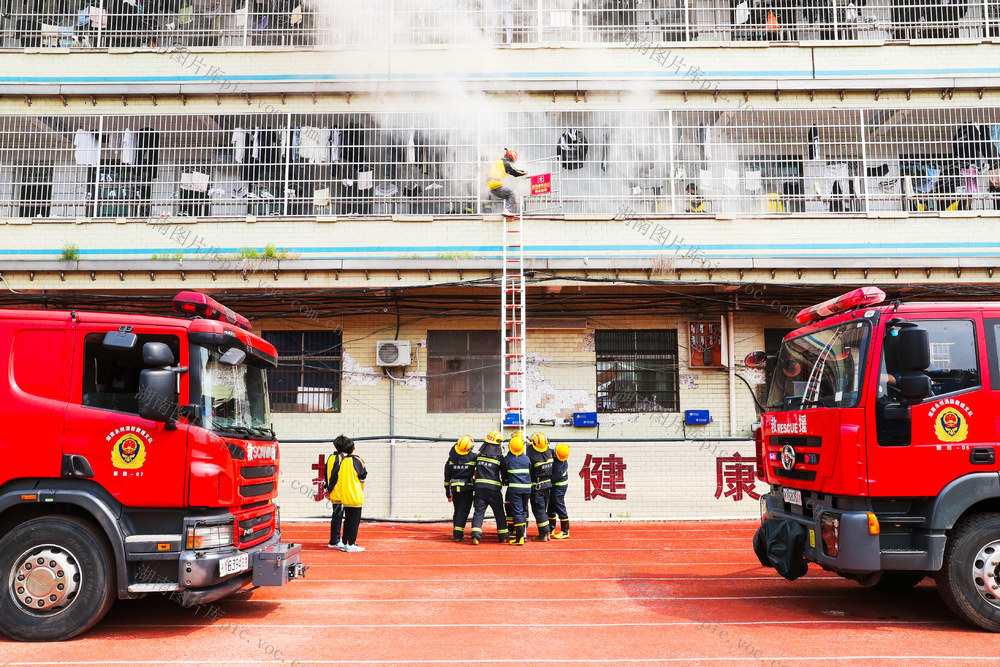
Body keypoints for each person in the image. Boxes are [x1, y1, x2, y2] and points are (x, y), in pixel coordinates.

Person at [328, 435, 368, 553]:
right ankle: (351, 544)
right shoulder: (357, 460)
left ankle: (344, 543)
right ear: (354, 448)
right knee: (354, 521)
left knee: (347, 520)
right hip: (355, 495)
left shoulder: (343, 461)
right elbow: (363, 475)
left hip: (345, 496)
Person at [470, 430, 509, 545]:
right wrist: (506, 481)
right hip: (494, 490)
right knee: (499, 513)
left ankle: (475, 537)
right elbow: (504, 474)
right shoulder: (499, 458)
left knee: (478, 512)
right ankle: (502, 536)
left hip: (479, 489)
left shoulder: (479, 456)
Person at [445, 434, 477, 542]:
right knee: (463, 511)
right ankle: (458, 535)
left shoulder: (451, 458)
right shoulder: (473, 457)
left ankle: (457, 532)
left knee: (457, 510)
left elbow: (447, 476)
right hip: (466, 489)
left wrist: (447, 490)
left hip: (454, 489)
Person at [503, 432, 532, 546]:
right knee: (524, 510)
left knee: (517, 512)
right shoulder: (526, 459)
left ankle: (519, 538)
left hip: (515, 489)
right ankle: (523, 534)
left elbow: (504, 475)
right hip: (527, 489)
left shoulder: (508, 460)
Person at [325, 435, 350, 549]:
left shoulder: (331, 457)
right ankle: (334, 540)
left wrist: (327, 488)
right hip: (338, 492)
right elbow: (334, 475)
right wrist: (329, 489)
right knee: (337, 516)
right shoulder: (341, 459)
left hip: (334, 491)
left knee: (336, 516)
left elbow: (326, 473)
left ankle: (335, 539)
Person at [528, 432, 554, 542]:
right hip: (548, 485)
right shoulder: (549, 452)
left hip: (537, 487)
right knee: (543, 510)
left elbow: (529, 472)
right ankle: (546, 533)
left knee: (539, 511)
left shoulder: (532, 456)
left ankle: (543, 534)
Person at [486, 148, 526, 217]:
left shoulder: (499, 161)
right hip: (495, 184)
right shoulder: (505, 163)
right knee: (511, 195)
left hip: (491, 185)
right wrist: (524, 172)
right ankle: (507, 210)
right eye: (511, 160)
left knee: (508, 195)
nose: (511, 162)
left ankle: (511, 203)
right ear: (510, 158)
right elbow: (515, 172)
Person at [548, 443, 571, 540]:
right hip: (555, 486)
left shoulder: (560, 466)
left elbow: (553, 478)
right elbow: (548, 450)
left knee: (559, 505)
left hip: (559, 487)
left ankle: (565, 531)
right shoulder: (558, 454)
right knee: (550, 507)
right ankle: (551, 529)